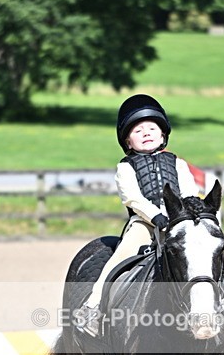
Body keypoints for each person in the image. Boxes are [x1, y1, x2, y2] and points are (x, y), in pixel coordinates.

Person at [75, 94, 202, 336]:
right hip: (144, 223)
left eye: (152, 127)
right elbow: (132, 198)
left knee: (205, 252)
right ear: (128, 142)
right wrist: (155, 216)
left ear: (163, 134)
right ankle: (93, 308)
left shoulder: (178, 163)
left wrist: (191, 206)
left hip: (178, 220)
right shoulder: (125, 167)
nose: (146, 132)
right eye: (138, 130)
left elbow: (188, 190)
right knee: (123, 253)